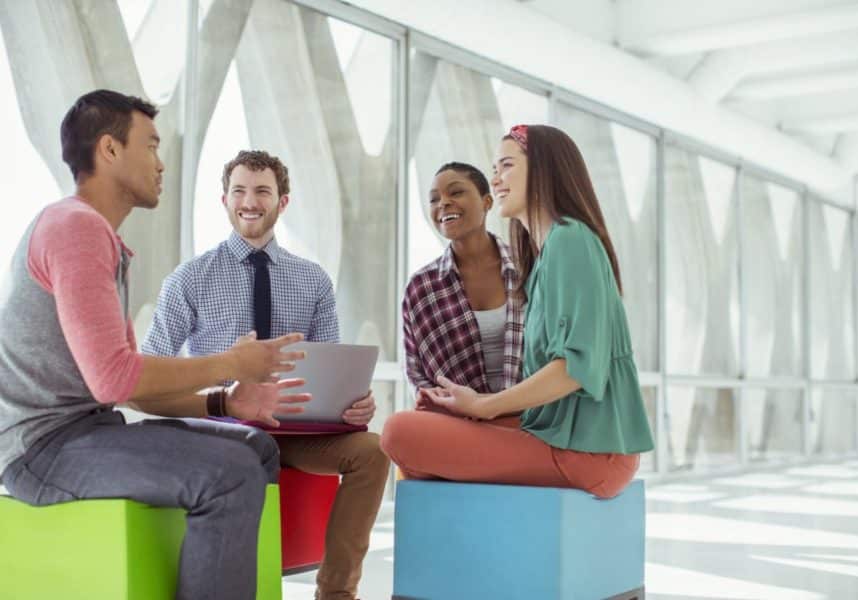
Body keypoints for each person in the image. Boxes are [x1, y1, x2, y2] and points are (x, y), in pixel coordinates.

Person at [0, 90, 308, 600]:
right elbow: (115, 379)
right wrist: (231, 363)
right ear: (110, 150)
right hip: (42, 448)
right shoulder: (74, 229)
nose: (162, 164)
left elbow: (131, 390)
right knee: (229, 474)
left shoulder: (99, 238)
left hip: (86, 431)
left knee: (255, 447)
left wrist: (226, 401)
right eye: (152, 146)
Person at [143, 149, 390, 600]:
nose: (250, 201)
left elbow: (332, 363)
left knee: (372, 452)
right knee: (248, 451)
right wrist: (220, 386)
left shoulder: (313, 280)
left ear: (283, 201)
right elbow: (152, 363)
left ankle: (336, 593)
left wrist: (354, 403)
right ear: (224, 200)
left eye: (262, 191)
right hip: (223, 425)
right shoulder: (190, 278)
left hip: (295, 427)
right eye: (239, 190)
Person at [381, 125, 654, 499]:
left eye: (506, 166)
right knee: (423, 428)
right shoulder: (544, 257)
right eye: (494, 169)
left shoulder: (571, 241)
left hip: (589, 452)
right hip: (561, 435)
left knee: (398, 433)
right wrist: (470, 407)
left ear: (543, 168)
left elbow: (575, 368)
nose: (496, 178)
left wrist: (485, 405)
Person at [402, 162, 523, 414]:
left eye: (455, 192)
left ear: (487, 202)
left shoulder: (529, 268)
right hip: (461, 420)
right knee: (397, 429)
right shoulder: (421, 287)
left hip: (531, 416)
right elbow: (416, 373)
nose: (443, 203)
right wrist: (428, 392)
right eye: (434, 199)